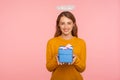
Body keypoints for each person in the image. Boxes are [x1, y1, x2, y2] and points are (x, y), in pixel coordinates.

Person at [46, 11, 86, 80]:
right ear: (58, 25)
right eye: (62, 23)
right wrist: (56, 58)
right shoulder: (51, 42)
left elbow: (82, 69)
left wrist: (76, 59)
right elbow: (49, 68)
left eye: (69, 23)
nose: (66, 27)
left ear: (73, 24)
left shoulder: (81, 42)